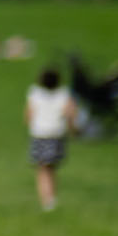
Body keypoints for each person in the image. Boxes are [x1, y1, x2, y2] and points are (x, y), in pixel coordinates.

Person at [26, 67, 75, 211]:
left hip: (40, 134)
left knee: (42, 170)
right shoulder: (63, 94)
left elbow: (28, 115)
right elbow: (70, 112)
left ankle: (46, 201)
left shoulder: (35, 93)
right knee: (51, 169)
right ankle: (52, 198)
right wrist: (73, 129)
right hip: (56, 134)